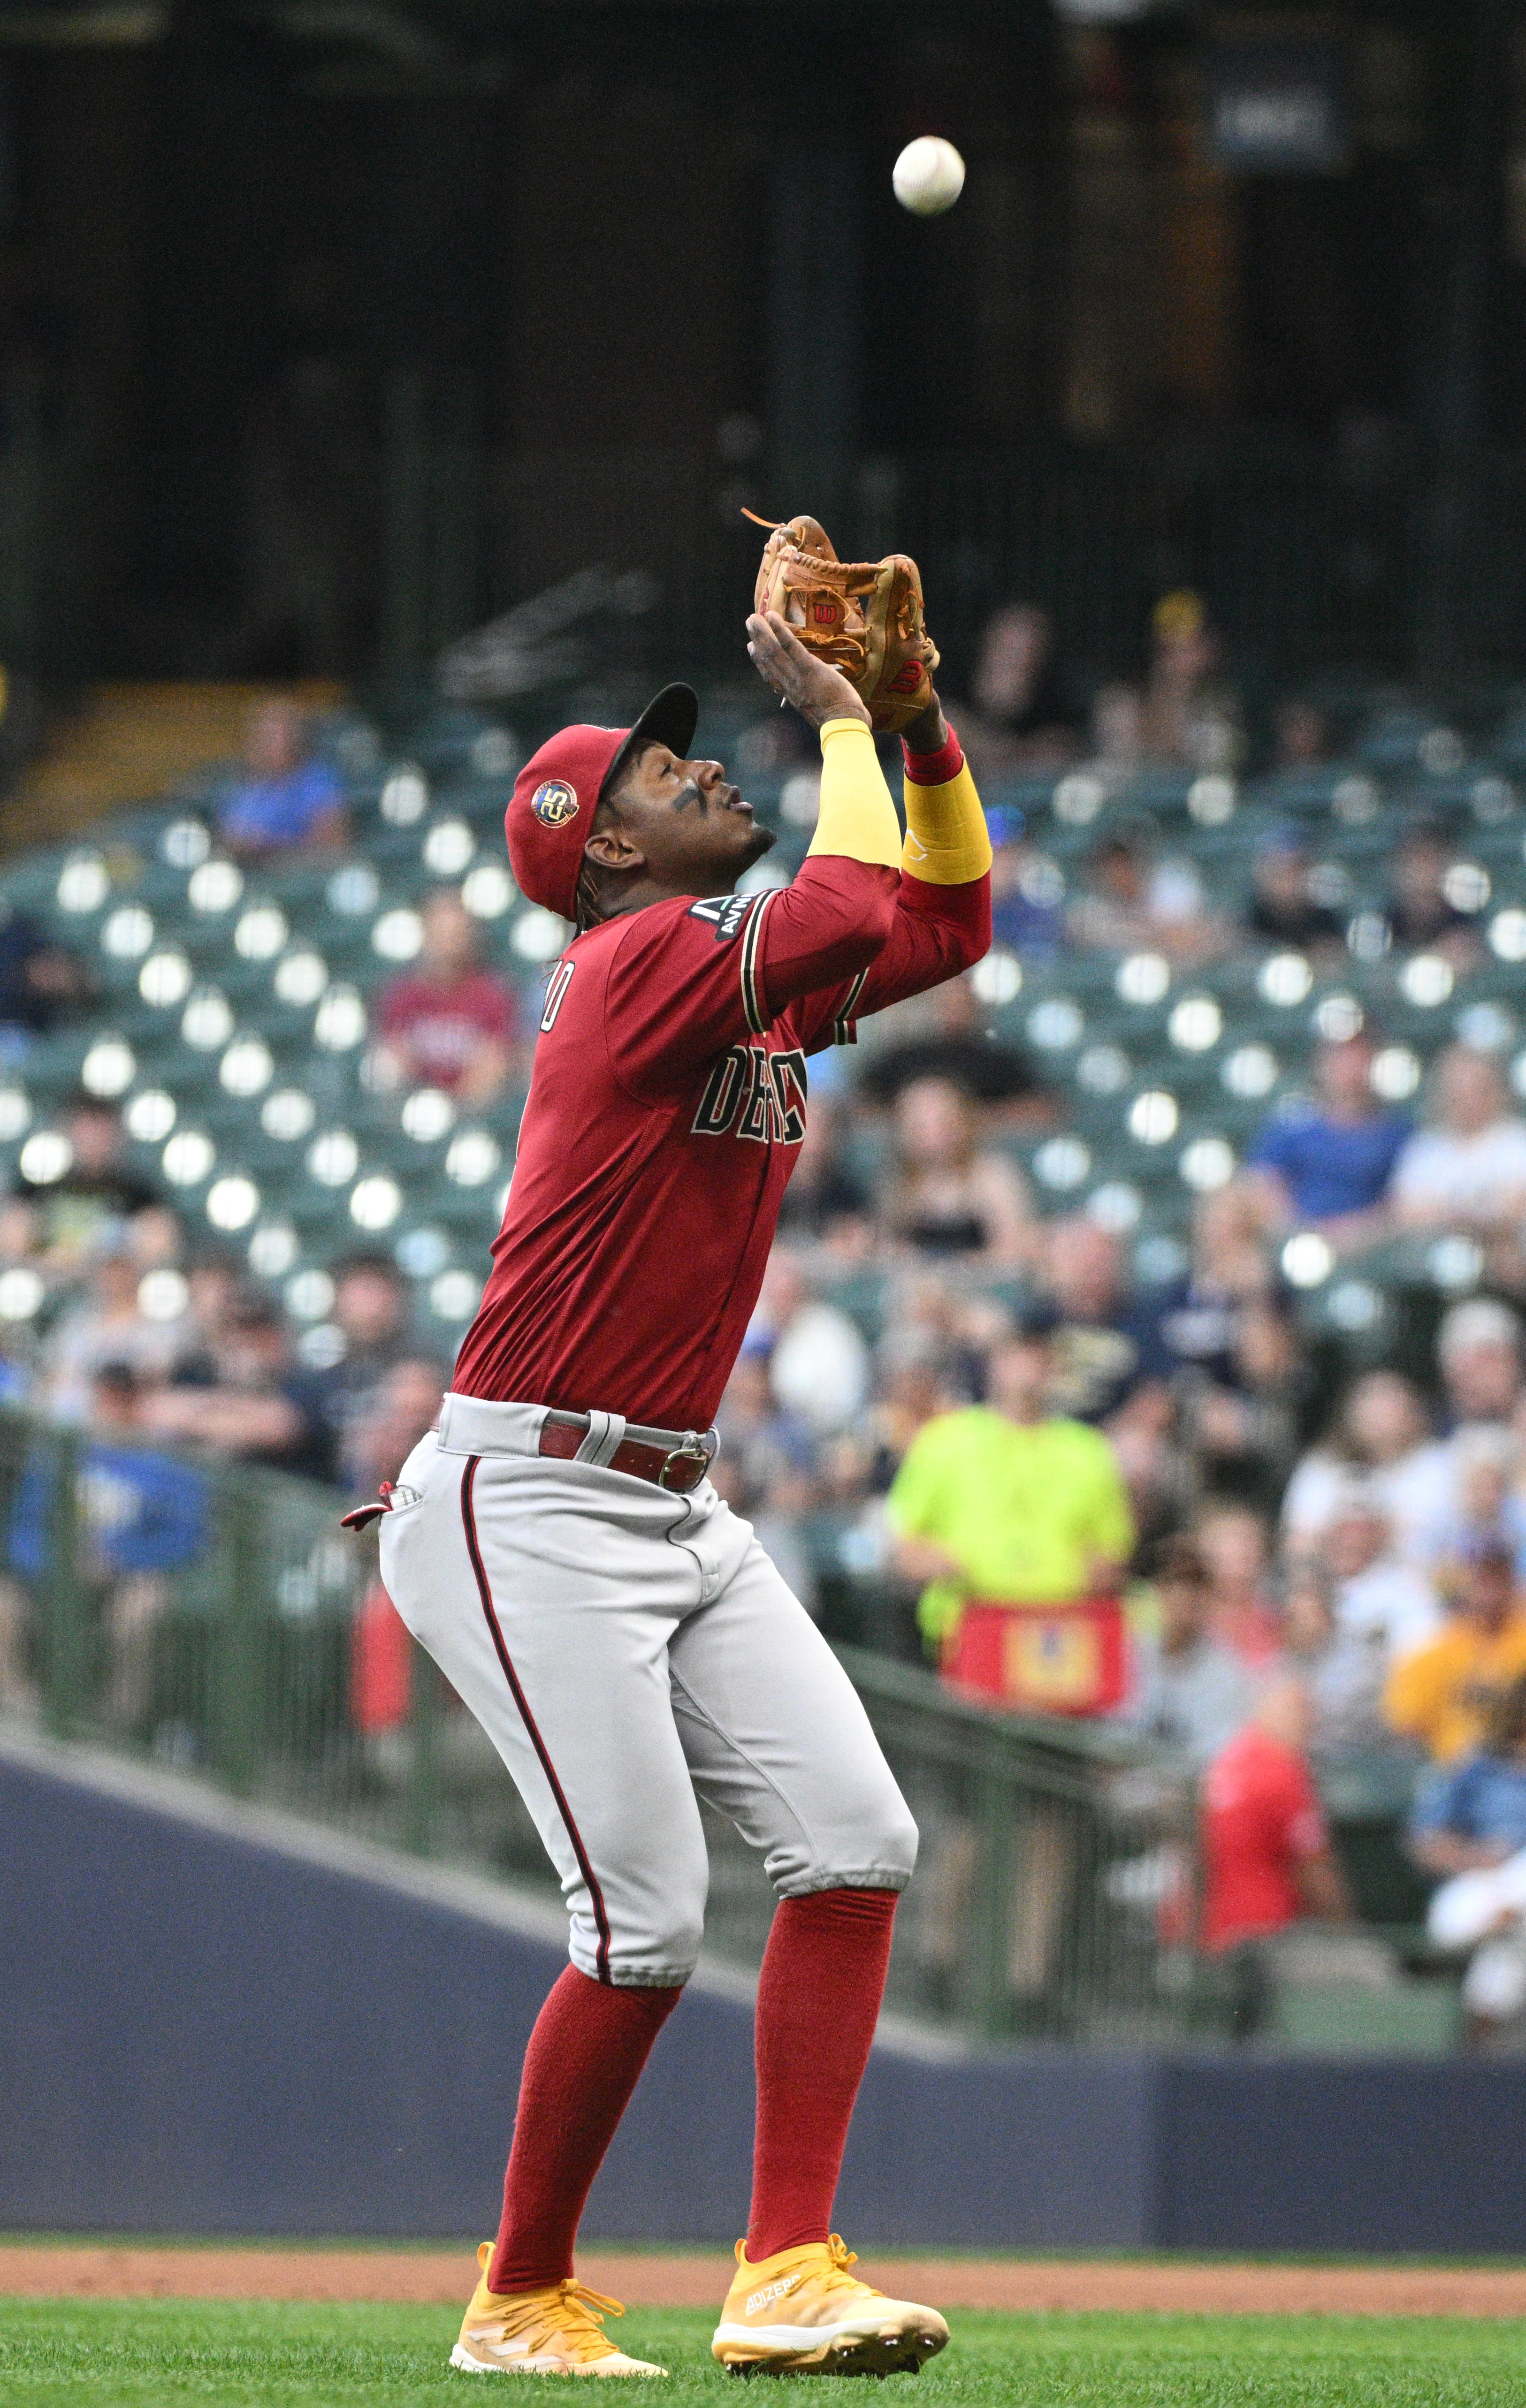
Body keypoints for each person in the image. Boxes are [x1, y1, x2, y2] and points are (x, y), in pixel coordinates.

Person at [361, 608, 989, 2376]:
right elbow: (864, 904)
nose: (703, 757)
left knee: (856, 1841)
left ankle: (786, 2264)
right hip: (527, 1492)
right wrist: (845, 713)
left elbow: (944, 917)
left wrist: (918, 718)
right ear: (608, 845)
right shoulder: (636, 955)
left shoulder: (722, 961)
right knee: (641, 1922)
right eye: (657, 764)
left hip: (669, 1499)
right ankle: (518, 2293)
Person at [885, 1308, 1135, 1717]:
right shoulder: (945, 1440)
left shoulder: (1088, 1450)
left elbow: (1113, 1552)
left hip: (1060, 1637)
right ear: (994, 1362)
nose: (1026, 1370)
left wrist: (1080, 1574)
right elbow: (903, 1543)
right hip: (970, 1627)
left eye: (1037, 1356)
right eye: (1015, 1355)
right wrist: (951, 1564)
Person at [1198, 1679, 1351, 1982]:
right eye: (1301, 1713)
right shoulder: (1281, 1771)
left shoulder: (1229, 1756)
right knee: (1373, 1972)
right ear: (1268, 1714)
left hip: (1204, 1930)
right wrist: (1347, 1932)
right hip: (1259, 1937)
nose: (1310, 1723)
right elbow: (1315, 1871)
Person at [1411, 1675, 1526, 2045]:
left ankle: (1475, 2046)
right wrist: (1478, 1857)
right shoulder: (1478, 1769)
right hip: (1479, 1886)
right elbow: (1425, 1842)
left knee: (1512, 1938)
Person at [1242, 1028, 1409, 1248]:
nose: (1348, 1065)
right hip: (1298, 1244)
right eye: (1339, 1055)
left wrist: (1351, 1233)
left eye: (1357, 1054)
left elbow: (1403, 1203)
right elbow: (1262, 1185)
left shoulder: (1397, 1132)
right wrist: (1300, 1232)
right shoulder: (1293, 1125)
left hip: (1370, 1246)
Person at [1115, 1536, 1257, 1768]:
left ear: (1207, 1598)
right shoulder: (1133, 1651)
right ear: (1159, 1592)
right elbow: (1112, 1731)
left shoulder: (1226, 1673)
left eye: (1194, 1589)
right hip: (1122, 1788)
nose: (1182, 1599)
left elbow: (1215, 1759)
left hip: (1182, 1796)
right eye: (1172, 1586)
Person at [372, 886, 522, 1104]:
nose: (448, 945)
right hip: (413, 1107)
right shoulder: (403, 994)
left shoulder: (492, 995)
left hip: (471, 1111)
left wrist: (455, 1108)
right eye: (440, 934)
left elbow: (495, 1062)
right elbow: (392, 1056)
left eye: (455, 934)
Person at [1384, 1542, 1526, 1764]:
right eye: (1481, 1581)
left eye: (1498, 1580)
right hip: (1454, 1770)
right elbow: (1405, 1720)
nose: (1490, 1592)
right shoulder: (1436, 1647)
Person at [877, 1075, 1035, 1270]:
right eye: (921, 1126)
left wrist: (957, 1268)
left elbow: (1018, 1249)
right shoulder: (900, 1185)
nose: (933, 1135)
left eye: (942, 1122)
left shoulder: (992, 1175)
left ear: (964, 1121)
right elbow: (887, 1250)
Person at [858, 971, 1053, 1122]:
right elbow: (863, 1107)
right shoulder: (905, 1058)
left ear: (976, 1006)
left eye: (962, 1001)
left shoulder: (999, 1062)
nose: (954, 1008)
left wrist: (972, 1119)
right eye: (948, 1001)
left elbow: (1042, 1108)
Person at [1391, 1047, 1526, 1241]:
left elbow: (1517, 1208)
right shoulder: (1425, 1148)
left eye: (1476, 1088)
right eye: (1457, 1088)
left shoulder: (1517, 1141)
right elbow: (1405, 1213)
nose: (1466, 1099)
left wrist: (1455, 1215)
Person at [216, 699, 350, 857]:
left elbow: (332, 847)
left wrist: (270, 850)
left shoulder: (319, 783)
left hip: (293, 876)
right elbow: (228, 835)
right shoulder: (250, 787)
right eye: (262, 735)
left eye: (275, 735)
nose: (265, 744)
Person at [1383, 820, 1483, 968]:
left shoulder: (1467, 919)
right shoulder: (1385, 924)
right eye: (1416, 860)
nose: (1424, 871)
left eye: (1430, 860)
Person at [1241, 826, 1345, 958]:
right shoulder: (1252, 919)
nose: (1287, 881)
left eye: (1294, 872)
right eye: (1278, 873)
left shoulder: (1325, 918)